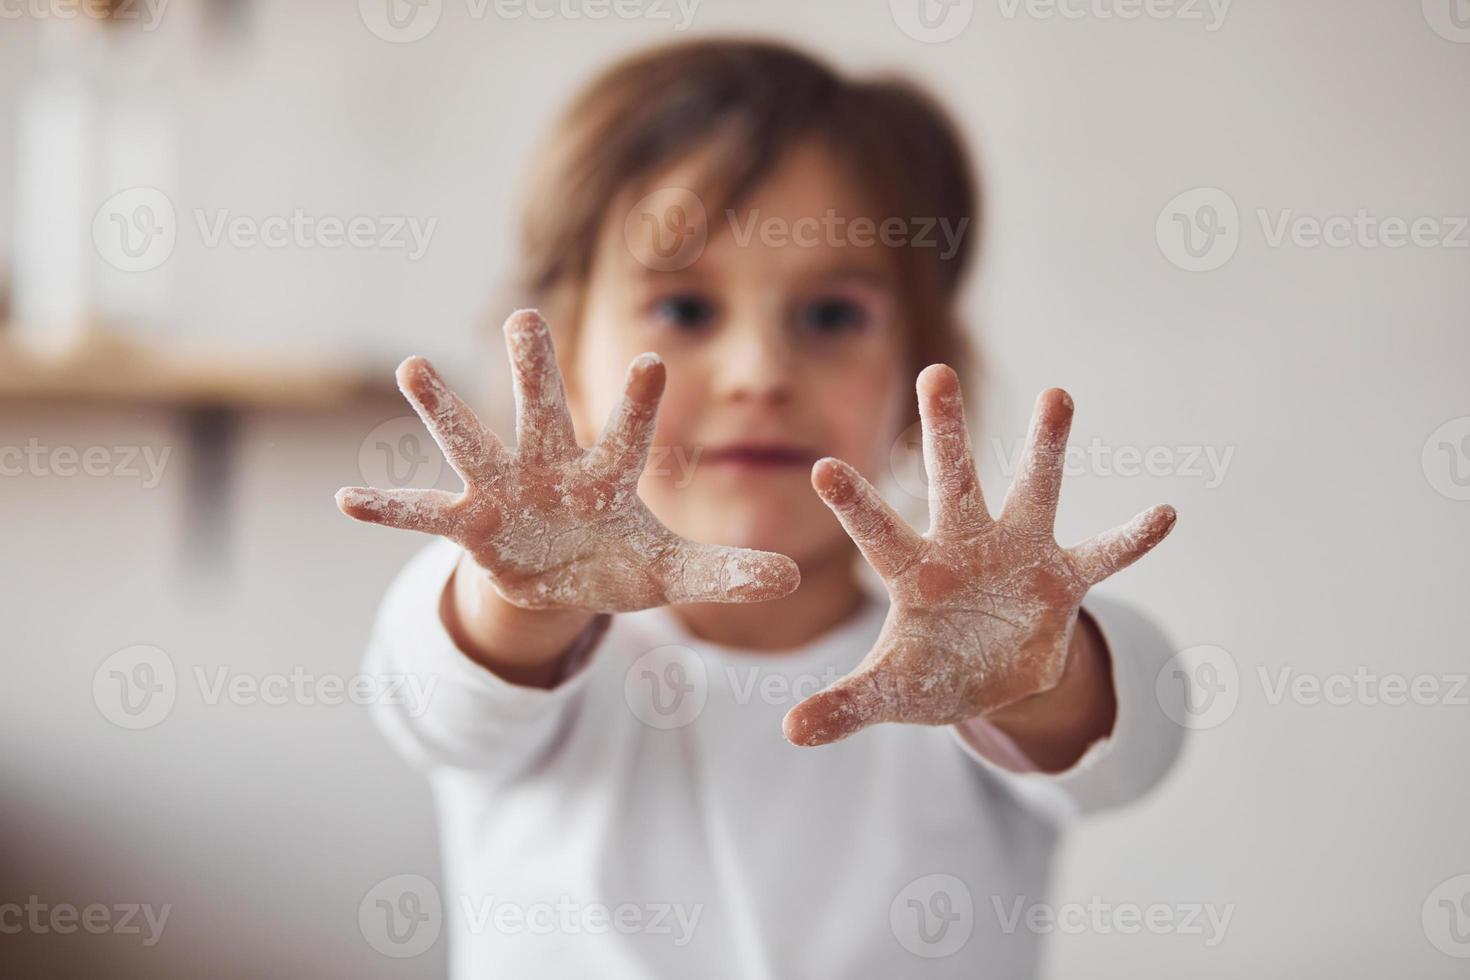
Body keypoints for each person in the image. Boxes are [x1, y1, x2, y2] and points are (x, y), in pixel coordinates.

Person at [337, 38, 1183, 978]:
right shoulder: (525, 657)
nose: (761, 375)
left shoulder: (971, 665)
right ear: (568, 357)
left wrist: (1041, 671)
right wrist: (517, 599)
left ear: (918, 370)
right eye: (687, 312)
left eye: (829, 317)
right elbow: (434, 696)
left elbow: (1138, 739)